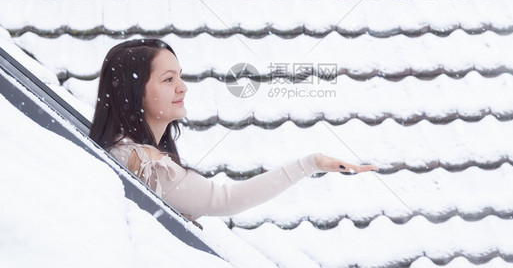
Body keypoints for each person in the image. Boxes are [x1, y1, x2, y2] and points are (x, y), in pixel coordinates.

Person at [90, 39, 377, 221]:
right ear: (134, 92)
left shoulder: (125, 150)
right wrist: (309, 164)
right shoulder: (143, 161)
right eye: (168, 79)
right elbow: (225, 200)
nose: (183, 87)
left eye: (180, 76)